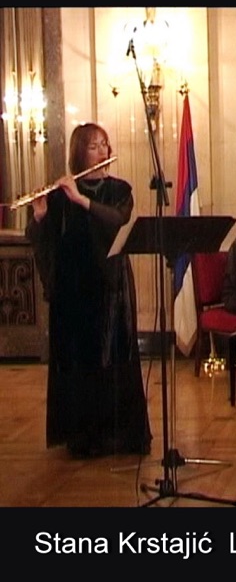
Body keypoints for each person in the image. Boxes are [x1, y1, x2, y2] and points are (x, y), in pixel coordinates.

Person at [26, 122, 152, 459]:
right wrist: (40, 216)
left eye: (104, 144)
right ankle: (81, 435)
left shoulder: (120, 190)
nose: (102, 151)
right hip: (73, 290)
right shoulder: (59, 195)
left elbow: (117, 220)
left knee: (112, 355)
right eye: (94, 146)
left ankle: (117, 435)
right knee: (78, 359)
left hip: (110, 287)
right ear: (79, 152)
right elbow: (44, 241)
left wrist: (81, 200)